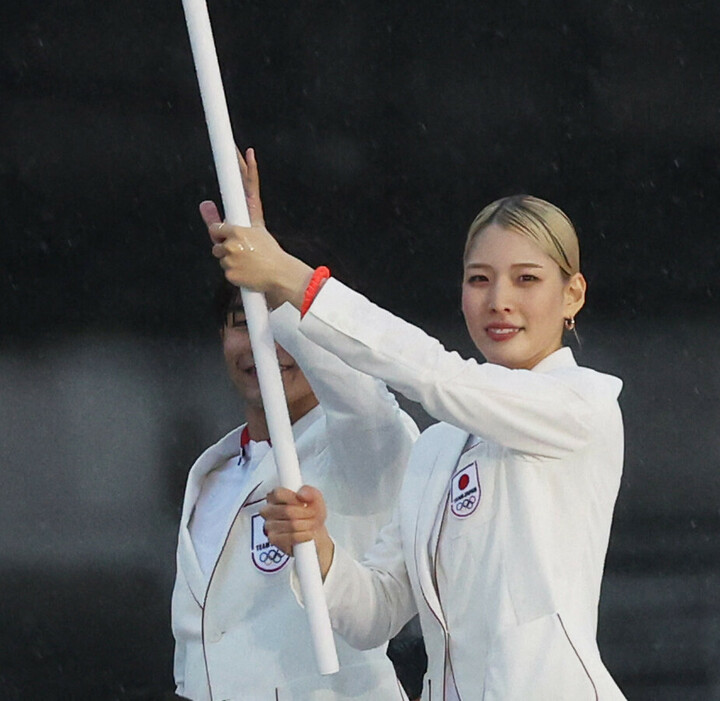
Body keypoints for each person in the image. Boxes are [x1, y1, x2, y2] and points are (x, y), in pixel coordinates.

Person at [203, 150, 627, 700]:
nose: (499, 301)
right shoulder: (439, 448)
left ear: (573, 294)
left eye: (526, 279)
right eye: (480, 279)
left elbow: (433, 375)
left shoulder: (582, 404)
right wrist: (317, 545)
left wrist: (288, 278)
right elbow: (375, 612)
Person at [172, 154, 420, 700]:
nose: (264, 344)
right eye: (244, 322)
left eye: (280, 319)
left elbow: (364, 399)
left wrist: (277, 273)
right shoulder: (212, 474)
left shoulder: (364, 446)